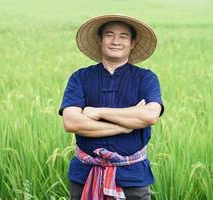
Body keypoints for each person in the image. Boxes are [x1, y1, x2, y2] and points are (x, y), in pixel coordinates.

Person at [58, 14, 164, 200]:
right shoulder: (80, 77)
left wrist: (97, 112)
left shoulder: (146, 78)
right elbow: (72, 122)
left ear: (132, 43)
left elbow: (149, 116)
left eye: (123, 36)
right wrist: (126, 126)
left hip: (132, 177)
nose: (116, 41)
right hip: (84, 175)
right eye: (109, 35)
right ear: (100, 40)